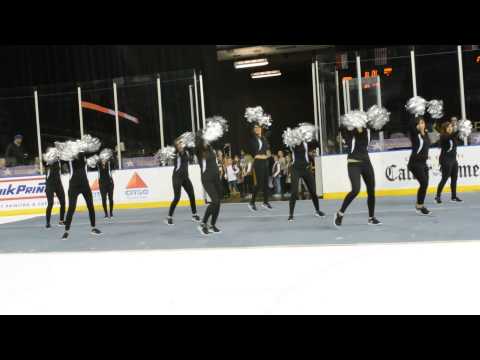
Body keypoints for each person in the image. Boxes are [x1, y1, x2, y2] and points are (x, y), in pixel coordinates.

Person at [334, 125, 382, 227]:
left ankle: (371, 218)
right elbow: (341, 131)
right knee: (356, 190)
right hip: (353, 163)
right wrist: (343, 134)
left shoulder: (367, 131)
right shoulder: (350, 132)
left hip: (366, 162)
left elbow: (375, 128)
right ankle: (340, 213)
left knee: (371, 189)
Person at [62, 154, 102, 239]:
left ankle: (93, 228)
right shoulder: (69, 157)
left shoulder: (84, 156)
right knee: (71, 208)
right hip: (73, 186)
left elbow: (93, 160)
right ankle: (66, 231)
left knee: (90, 206)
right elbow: (62, 158)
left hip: (85, 185)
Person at [165, 140, 201, 225]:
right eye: (178, 145)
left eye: (181, 144)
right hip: (177, 178)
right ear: (176, 147)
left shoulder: (187, 152)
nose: (180, 146)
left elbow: (192, 153)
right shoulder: (177, 154)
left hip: (185, 178)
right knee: (177, 198)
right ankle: (169, 217)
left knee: (192, 195)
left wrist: (191, 144)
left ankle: (194, 215)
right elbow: (175, 152)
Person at [288, 140, 325, 222]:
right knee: (294, 192)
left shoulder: (306, 143)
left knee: (313, 191)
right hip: (295, 169)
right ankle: (291, 215)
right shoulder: (293, 144)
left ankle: (317, 211)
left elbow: (317, 143)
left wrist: (312, 138)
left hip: (306, 169)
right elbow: (295, 147)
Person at [195, 136, 222, 235]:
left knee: (218, 202)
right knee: (215, 201)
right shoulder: (199, 151)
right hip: (207, 179)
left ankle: (212, 225)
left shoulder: (211, 148)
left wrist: (219, 156)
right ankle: (202, 224)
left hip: (216, 178)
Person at [407, 117, 432, 215]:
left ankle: (419, 205)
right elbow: (410, 126)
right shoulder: (414, 134)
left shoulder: (425, 134)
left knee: (425, 185)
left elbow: (431, 123)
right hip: (415, 163)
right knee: (424, 183)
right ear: (416, 125)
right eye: (420, 123)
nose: (422, 124)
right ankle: (420, 206)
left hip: (423, 163)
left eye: (423, 122)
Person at [435, 119, 463, 204]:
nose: (450, 128)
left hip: (454, 160)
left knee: (454, 179)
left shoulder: (453, 136)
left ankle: (453, 197)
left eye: (451, 126)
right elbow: (451, 136)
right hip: (445, 160)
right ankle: (437, 196)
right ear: (445, 128)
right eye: (448, 127)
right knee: (444, 179)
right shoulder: (443, 136)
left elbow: (457, 138)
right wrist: (459, 129)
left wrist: (462, 131)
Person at [248, 124, 273, 211]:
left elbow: (268, 151)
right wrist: (264, 155)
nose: (258, 129)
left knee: (266, 184)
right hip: (258, 163)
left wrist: (267, 154)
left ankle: (265, 202)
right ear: (253, 130)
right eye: (256, 128)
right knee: (258, 184)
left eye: (259, 128)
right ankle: (251, 202)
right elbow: (256, 155)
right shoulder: (252, 140)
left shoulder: (264, 139)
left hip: (265, 163)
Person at [44, 159, 66, 229]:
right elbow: (46, 164)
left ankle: (61, 221)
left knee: (63, 202)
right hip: (50, 185)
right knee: (50, 203)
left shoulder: (59, 161)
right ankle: (48, 223)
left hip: (58, 184)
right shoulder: (49, 162)